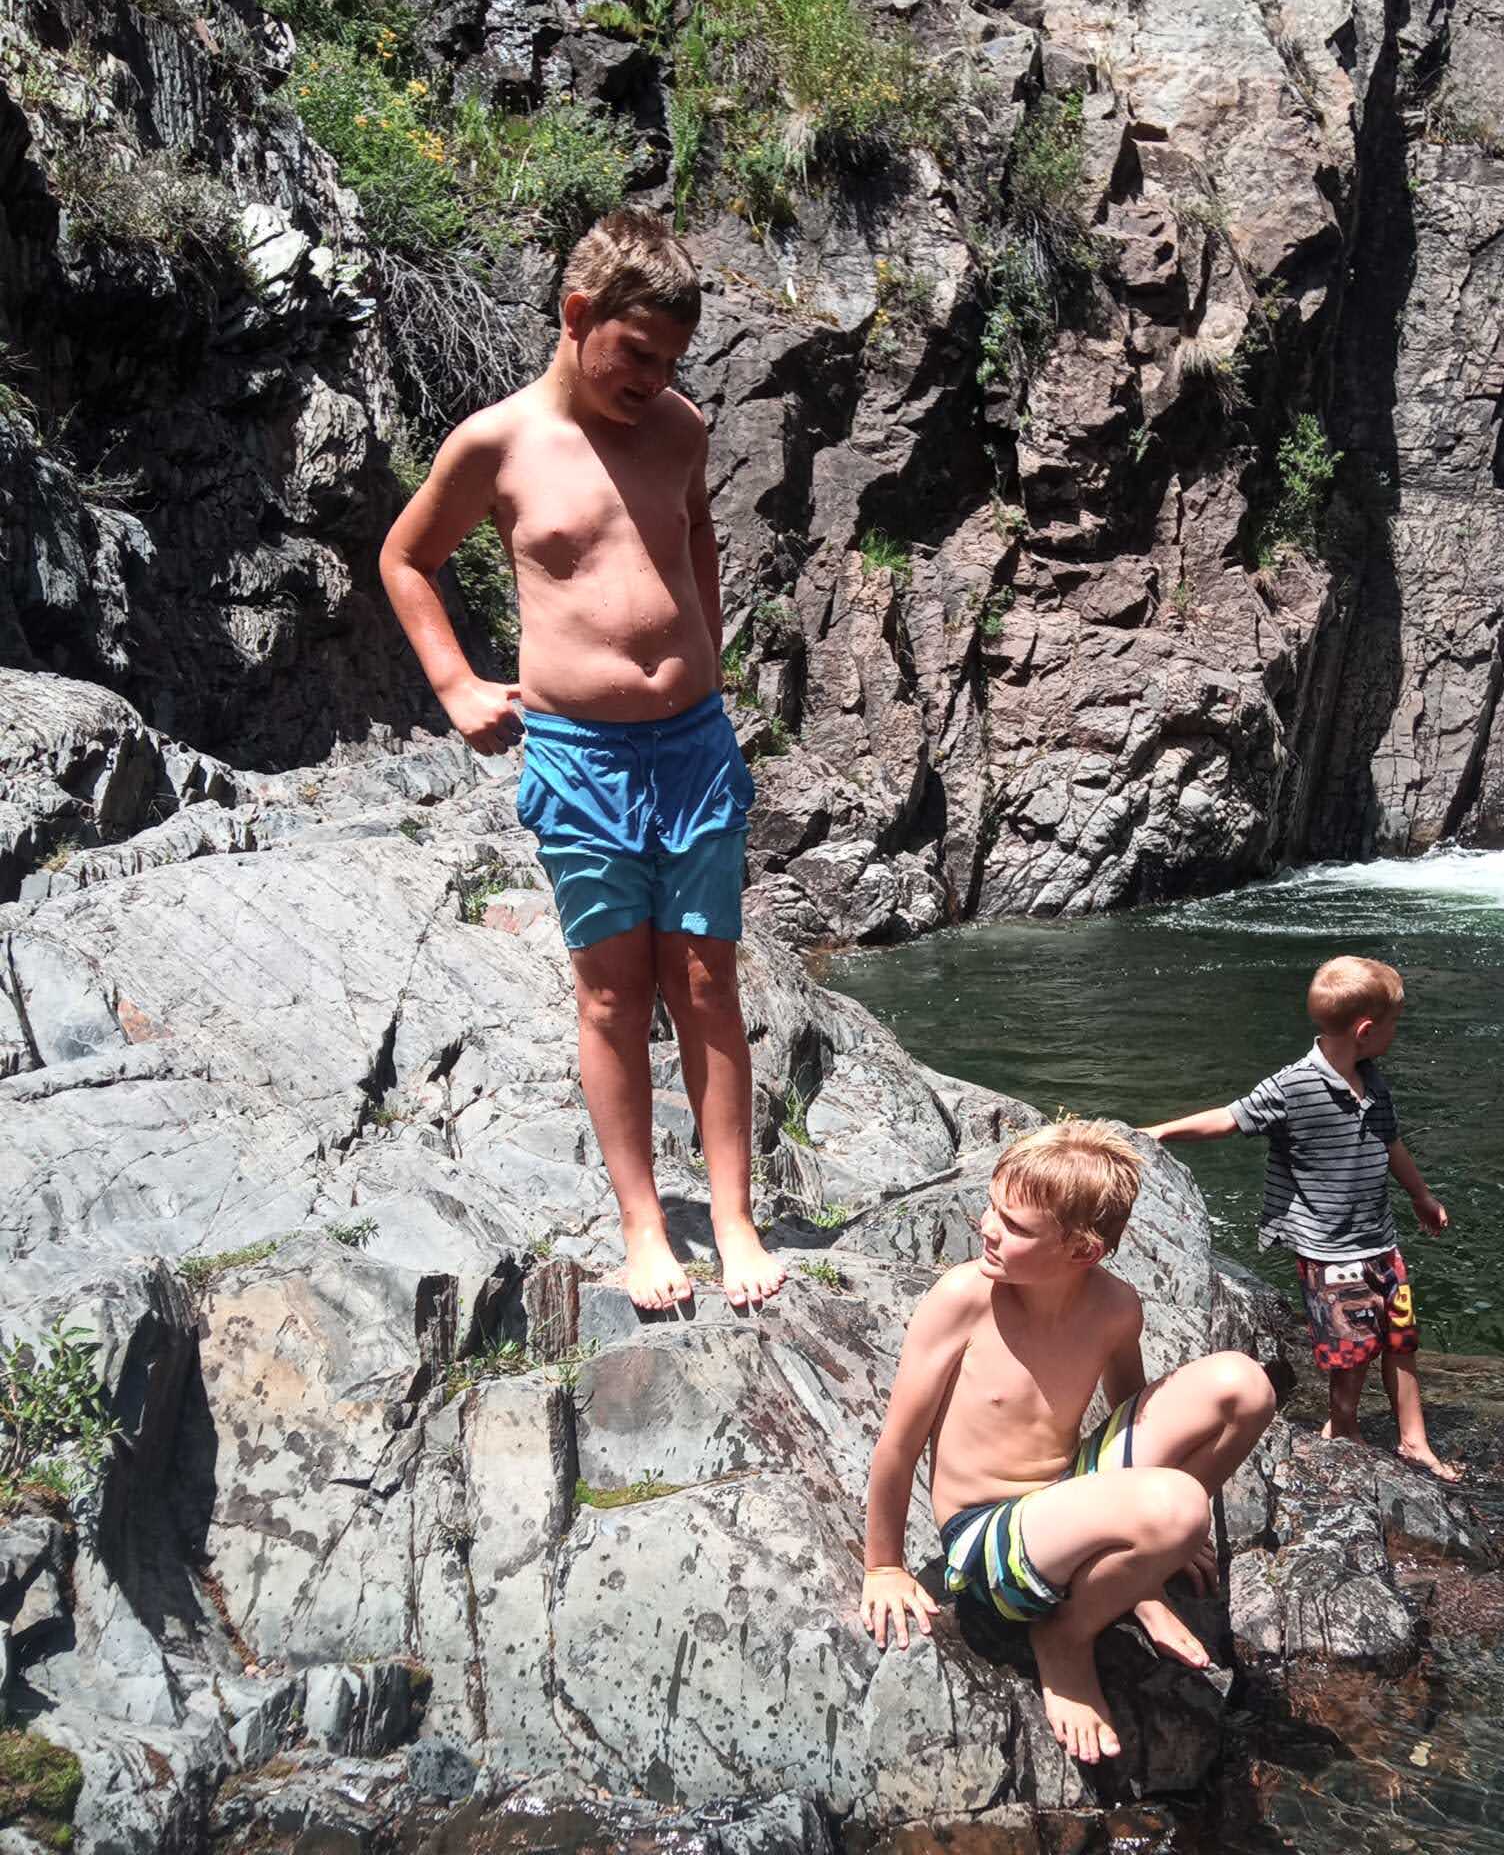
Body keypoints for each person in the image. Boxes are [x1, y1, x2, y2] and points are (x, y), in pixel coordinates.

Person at [378, 206, 785, 1312]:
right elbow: (406, 558)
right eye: (636, 353)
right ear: (576, 314)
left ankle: (734, 1220)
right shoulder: (497, 444)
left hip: (693, 745)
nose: (653, 380)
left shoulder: (680, 428)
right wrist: (456, 684)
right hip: (581, 756)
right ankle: (645, 1227)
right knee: (612, 993)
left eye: (671, 362)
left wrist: (706, 653)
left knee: (706, 980)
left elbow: (692, 532)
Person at [860, 1121, 1277, 1765]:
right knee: (1179, 1508)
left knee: (1245, 1386)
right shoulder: (964, 1300)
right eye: (992, 1208)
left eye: (1015, 1226)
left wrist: (1152, 1550)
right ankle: (1066, 1636)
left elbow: (1135, 1413)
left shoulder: (1115, 1308)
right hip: (988, 1539)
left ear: (1083, 1251)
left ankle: (1132, 1580)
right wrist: (883, 1566)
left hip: (1064, 1496)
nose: (987, 1228)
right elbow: (898, 1444)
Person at [1140, 955, 1460, 1481]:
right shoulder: (1293, 1086)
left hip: (1380, 1241)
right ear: (1365, 1030)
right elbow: (1231, 1118)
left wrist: (1421, 1195)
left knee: (1401, 1339)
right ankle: (1344, 1431)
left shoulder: (1373, 1082)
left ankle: (1413, 1440)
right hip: (1330, 1251)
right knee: (1348, 1352)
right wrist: (1160, 1132)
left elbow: (1391, 1143)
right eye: (1394, 1024)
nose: (1396, 1033)